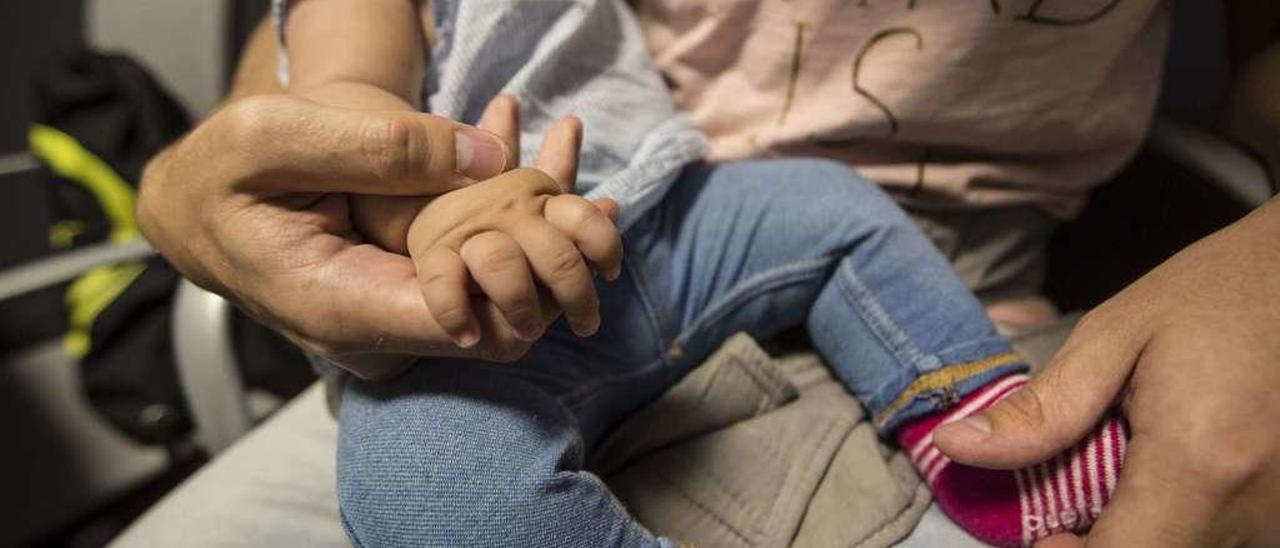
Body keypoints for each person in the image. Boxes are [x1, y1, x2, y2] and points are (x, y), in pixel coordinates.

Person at [135, 7, 1280, 548]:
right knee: (426, 492)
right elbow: (335, 98)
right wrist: (423, 203)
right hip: (471, 317)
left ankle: (960, 399)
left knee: (838, 215)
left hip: (682, 207)